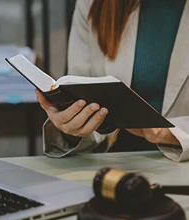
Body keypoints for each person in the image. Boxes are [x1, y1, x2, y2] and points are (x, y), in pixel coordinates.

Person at [36, 0, 189, 162]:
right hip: (111, 165)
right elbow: (85, 98)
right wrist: (72, 127)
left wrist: (167, 134)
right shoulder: (93, 4)